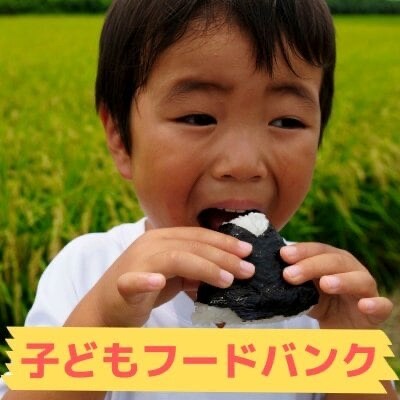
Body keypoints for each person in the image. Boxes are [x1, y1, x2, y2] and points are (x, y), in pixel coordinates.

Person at [1, 0, 396, 399]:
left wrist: (351, 346)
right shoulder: (89, 272)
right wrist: (104, 322)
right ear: (120, 138)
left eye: (286, 121)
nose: (243, 164)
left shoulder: (315, 299)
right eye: (198, 118)